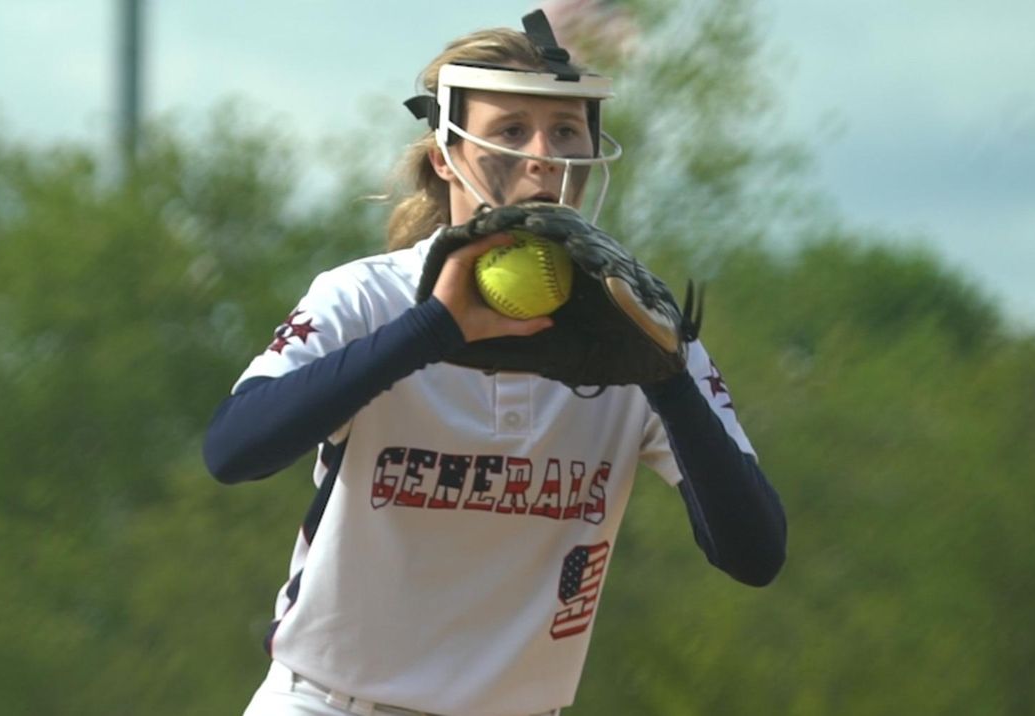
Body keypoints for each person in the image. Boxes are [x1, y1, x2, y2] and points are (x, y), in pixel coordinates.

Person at [203, 10, 786, 716]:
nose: (544, 153)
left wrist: (669, 383)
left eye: (566, 129)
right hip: (331, 704)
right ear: (446, 154)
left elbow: (754, 554)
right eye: (512, 129)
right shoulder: (370, 296)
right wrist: (432, 329)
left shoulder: (637, 327)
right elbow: (234, 449)